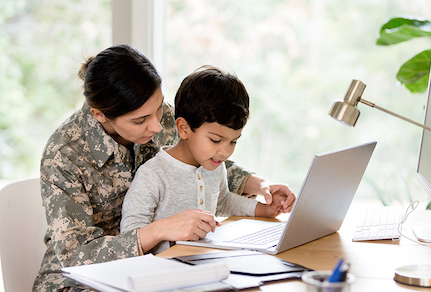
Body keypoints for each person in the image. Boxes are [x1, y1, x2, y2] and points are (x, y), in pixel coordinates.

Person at [34, 44, 296, 291]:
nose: (157, 126)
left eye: (158, 109)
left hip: (158, 264)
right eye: (141, 120)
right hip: (82, 282)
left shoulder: (165, 117)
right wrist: (160, 229)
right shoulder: (65, 154)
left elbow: (203, 158)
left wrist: (260, 185)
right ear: (100, 115)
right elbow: (75, 256)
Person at [121, 65, 286, 254]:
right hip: (164, 271)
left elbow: (223, 202)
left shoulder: (215, 166)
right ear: (183, 128)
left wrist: (263, 209)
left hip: (204, 261)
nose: (225, 152)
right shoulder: (153, 175)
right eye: (215, 140)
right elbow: (130, 234)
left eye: (233, 142)